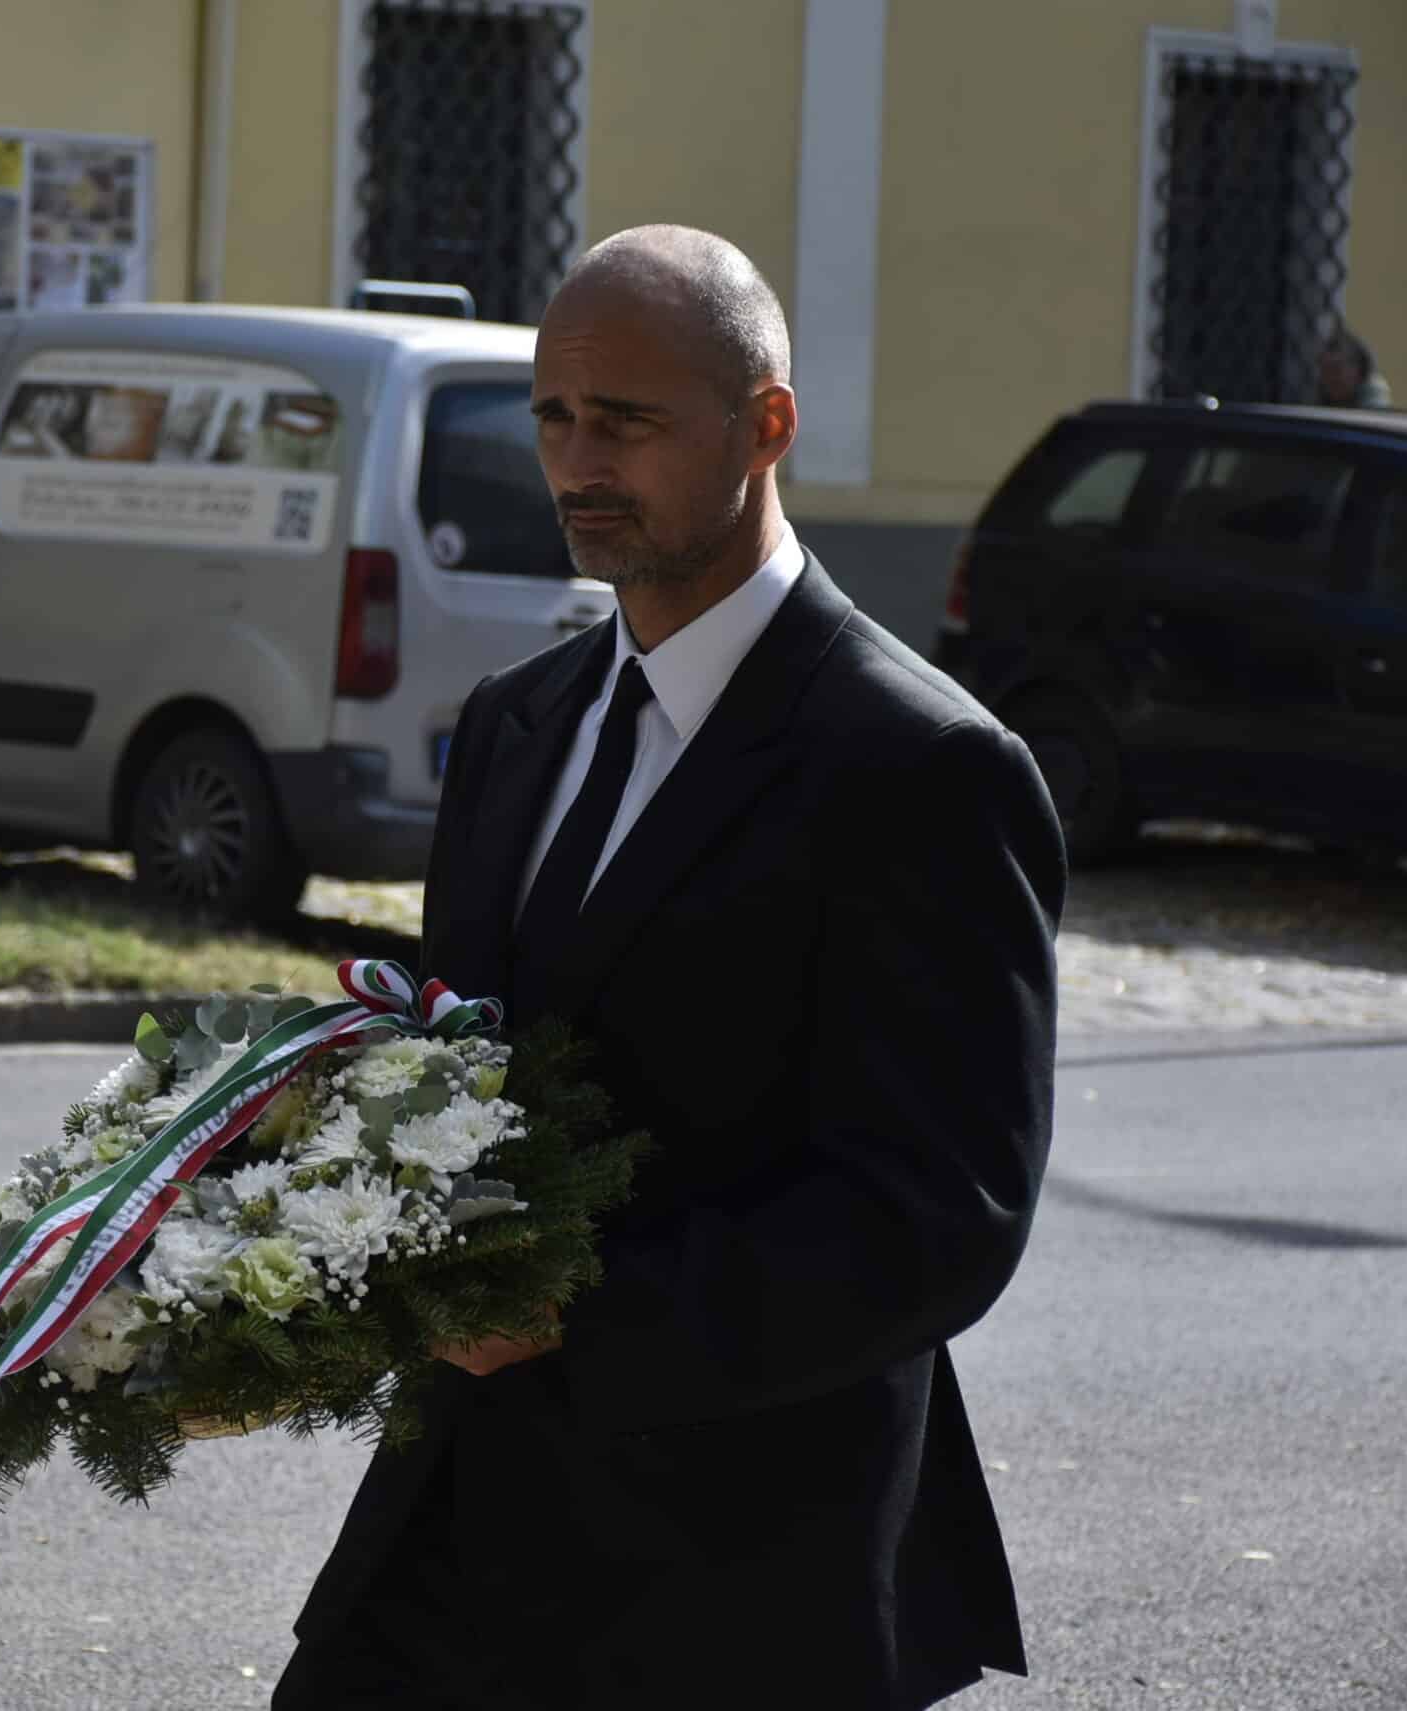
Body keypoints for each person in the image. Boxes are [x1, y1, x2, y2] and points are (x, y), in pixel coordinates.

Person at [274, 226, 1066, 1708]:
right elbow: (469, 1073)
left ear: (766, 425)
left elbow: (937, 1215)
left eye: (626, 421)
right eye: (554, 416)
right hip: (446, 1544)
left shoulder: (921, 766)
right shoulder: (515, 722)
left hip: (741, 1581)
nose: (577, 463)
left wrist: (572, 1315)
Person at [1318, 325, 1392, 409]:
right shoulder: (1316, 393)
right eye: (1326, 370)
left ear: (1358, 369)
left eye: (1336, 369)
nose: (1331, 377)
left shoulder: (1373, 392)